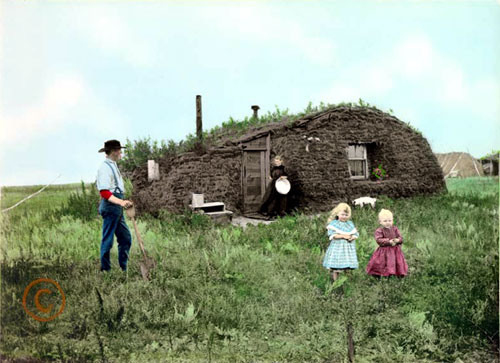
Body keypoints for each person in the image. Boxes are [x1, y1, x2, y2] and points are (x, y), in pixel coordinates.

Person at [96, 140, 134, 272]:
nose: (121, 152)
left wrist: (123, 201)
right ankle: (105, 270)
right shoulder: (105, 168)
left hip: (116, 208)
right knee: (108, 240)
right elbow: (105, 192)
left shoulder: (113, 165)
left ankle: (124, 268)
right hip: (110, 207)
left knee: (126, 238)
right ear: (113, 152)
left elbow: (115, 189)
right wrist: (121, 202)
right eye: (119, 150)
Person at [366, 209, 408, 278]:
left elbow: (400, 238)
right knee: (383, 262)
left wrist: (397, 240)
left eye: (389, 220)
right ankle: (383, 274)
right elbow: (378, 240)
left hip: (395, 250)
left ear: (392, 220)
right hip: (384, 251)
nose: (388, 222)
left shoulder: (395, 229)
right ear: (380, 222)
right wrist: (388, 241)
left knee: (396, 262)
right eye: (385, 221)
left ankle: (397, 273)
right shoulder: (379, 230)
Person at [322, 202, 359, 282]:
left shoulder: (349, 224)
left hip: (348, 249)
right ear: (338, 213)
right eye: (342, 214)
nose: (344, 217)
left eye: (346, 215)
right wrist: (343, 236)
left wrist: (352, 237)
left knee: (347, 266)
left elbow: (355, 233)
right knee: (336, 267)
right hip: (338, 248)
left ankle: (346, 281)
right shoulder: (334, 224)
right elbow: (332, 235)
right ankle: (336, 282)